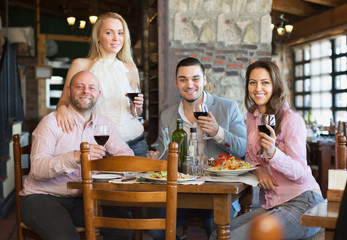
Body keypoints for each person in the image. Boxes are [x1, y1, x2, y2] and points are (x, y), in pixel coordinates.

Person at [211, 60, 324, 240]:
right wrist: (259, 169)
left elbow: (301, 174)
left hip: (303, 201)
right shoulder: (252, 115)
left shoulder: (291, 119)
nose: (258, 88)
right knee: (218, 235)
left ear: (275, 85)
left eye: (265, 82)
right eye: (252, 82)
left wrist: (273, 154)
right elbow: (249, 154)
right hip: (273, 205)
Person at [20, 70, 134, 240]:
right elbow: (37, 169)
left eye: (91, 88)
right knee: (67, 237)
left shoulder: (104, 124)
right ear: (68, 91)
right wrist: (75, 157)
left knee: (123, 226)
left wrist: (107, 167)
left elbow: (127, 157)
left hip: (84, 199)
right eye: (79, 87)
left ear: (98, 94)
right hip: (42, 198)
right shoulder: (51, 122)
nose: (86, 91)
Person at [149, 57, 247, 239]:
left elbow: (243, 149)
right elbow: (163, 156)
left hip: (216, 193)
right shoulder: (168, 116)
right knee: (154, 228)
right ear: (176, 83)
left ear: (204, 81)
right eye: (183, 79)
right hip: (181, 193)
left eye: (195, 78)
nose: (189, 84)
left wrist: (218, 131)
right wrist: (156, 159)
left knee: (217, 232)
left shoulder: (227, 108)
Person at [56, 12, 148, 157]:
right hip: (99, 145)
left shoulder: (130, 68)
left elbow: (136, 113)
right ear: (98, 37)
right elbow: (63, 100)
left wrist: (137, 106)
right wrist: (61, 108)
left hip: (135, 143)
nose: (116, 38)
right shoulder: (81, 65)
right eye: (109, 32)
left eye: (120, 33)